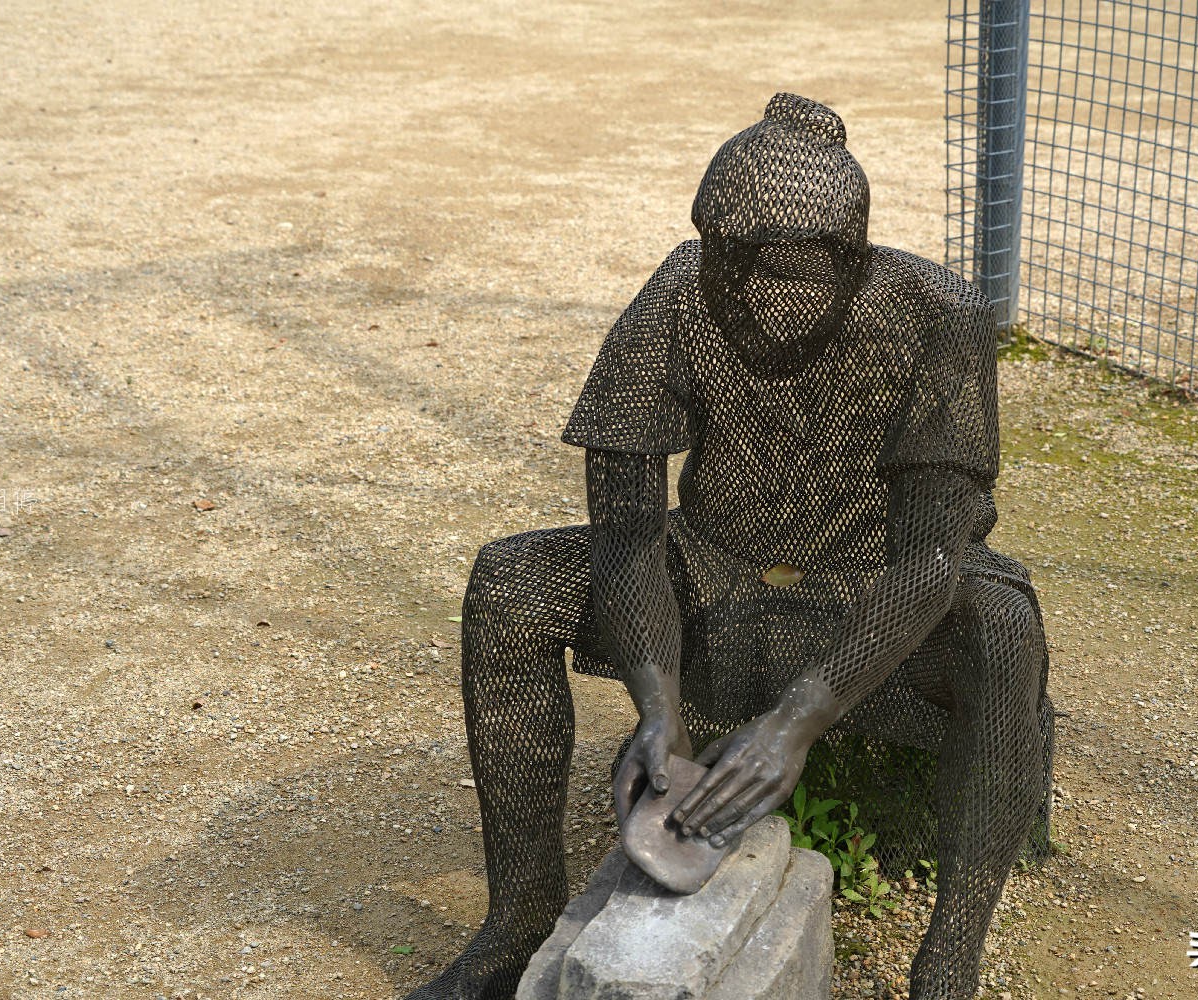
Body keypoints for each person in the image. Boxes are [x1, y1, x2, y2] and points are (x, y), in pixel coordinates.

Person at [407, 92, 1051, 1000]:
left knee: (1001, 628)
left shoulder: (934, 313)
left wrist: (795, 724)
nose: (761, 300)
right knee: (512, 587)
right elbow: (625, 527)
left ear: (851, 261)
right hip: (712, 567)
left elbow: (930, 557)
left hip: (868, 587)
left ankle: (948, 963)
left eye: (796, 275)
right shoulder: (677, 295)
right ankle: (516, 919)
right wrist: (656, 701)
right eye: (737, 266)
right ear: (709, 248)